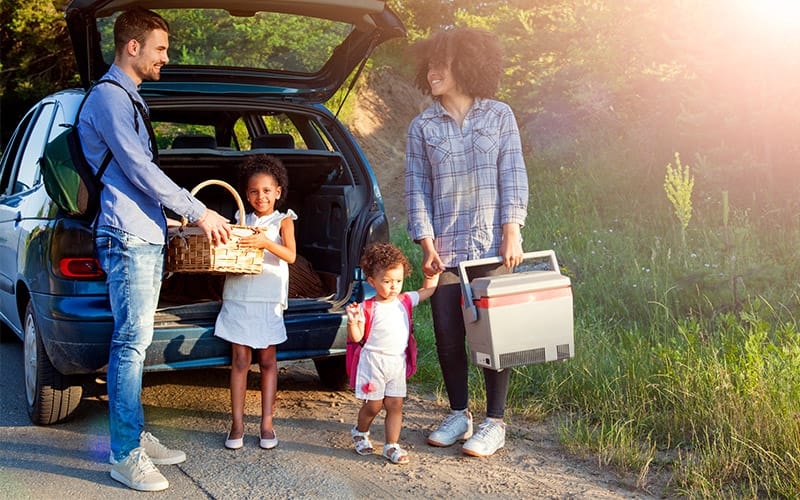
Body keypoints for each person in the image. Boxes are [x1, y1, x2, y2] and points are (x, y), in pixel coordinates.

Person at [78, 7, 233, 492]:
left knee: (136, 344)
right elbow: (138, 169)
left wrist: (163, 217)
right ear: (133, 47)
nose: (167, 57)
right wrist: (198, 211)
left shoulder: (127, 98)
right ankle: (124, 454)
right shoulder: (109, 98)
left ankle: (134, 436)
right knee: (129, 344)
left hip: (141, 231)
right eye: (161, 48)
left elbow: (130, 177)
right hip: (126, 237)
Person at [405, 27, 529, 458]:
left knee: (494, 337)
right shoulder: (422, 126)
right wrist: (425, 244)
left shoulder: (499, 116)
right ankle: (460, 414)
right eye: (430, 63)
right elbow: (417, 188)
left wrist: (512, 230)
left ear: (467, 64)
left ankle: (495, 422)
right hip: (446, 250)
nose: (433, 71)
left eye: (443, 62)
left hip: (492, 246)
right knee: (447, 335)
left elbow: (513, 174)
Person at [213, 154, 297, 451]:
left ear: (278, 191)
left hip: (267, 298)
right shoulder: (241, 219)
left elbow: (290, 255)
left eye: (266, 190)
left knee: (267, 361)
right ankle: (237, 423)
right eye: (253, 191)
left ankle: (266, 423)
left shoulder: (284, 220)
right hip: (239, 297)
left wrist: (265, 242)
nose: (260, 196)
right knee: (239, 361)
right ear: (245, 195)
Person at [346, 243, 437, 464]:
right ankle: (360, 431)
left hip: (397, 362)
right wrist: (352, 321)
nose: (393, 286)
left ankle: (391, 445)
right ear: (372, 282)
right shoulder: (367, 307)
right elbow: (357, 337)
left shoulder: (404, 300)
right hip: (373, 362)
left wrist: (432, 274)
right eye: (386, 282)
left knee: (395, 404)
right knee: (374, 405)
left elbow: (428, 291)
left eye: (398, 281)